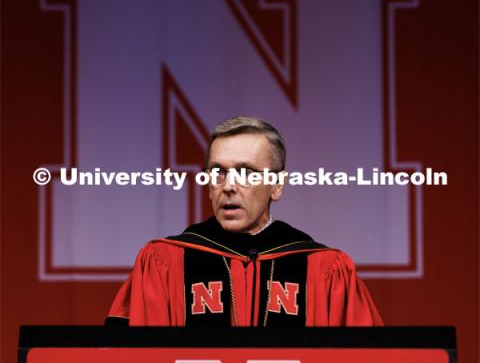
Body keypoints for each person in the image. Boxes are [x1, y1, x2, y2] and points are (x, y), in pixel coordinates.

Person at [106, 117, 383, 326]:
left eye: (246, 172)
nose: (228, 186)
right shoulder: (163, 263)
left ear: (277, 185)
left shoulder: (325, 270)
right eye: (218, 172)